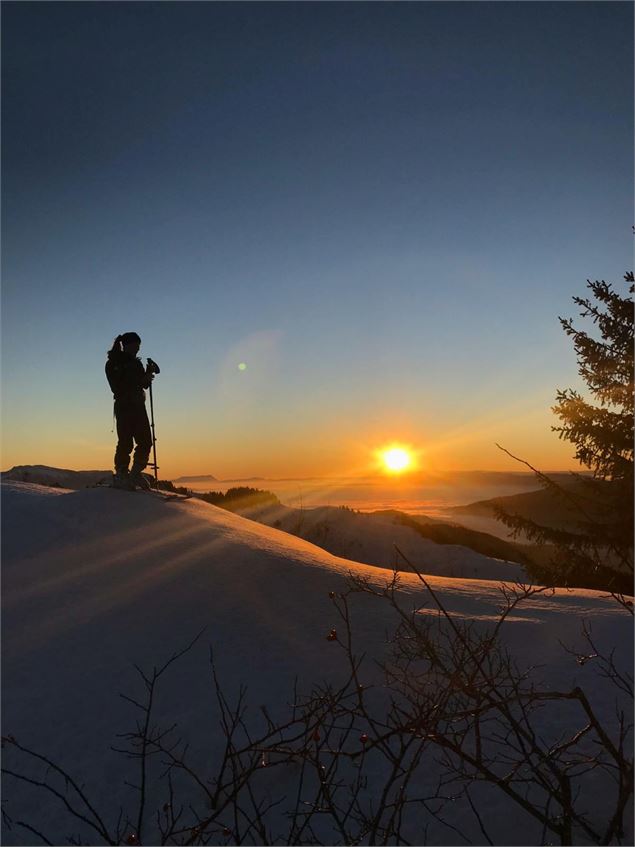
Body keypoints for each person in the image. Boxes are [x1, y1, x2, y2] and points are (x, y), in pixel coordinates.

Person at [105, 332, 156, 490]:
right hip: (125, 406)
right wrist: (142, 379)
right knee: (126, 442)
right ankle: (122, 474)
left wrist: (147, 376)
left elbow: (141, 384)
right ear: (126, 345)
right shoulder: (114, 362)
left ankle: (134, 473)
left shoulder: (135, 363)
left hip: (137, 405)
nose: (137, 349)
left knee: (145, 440)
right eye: (135, 345)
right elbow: (118, 386)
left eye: (138, 346)